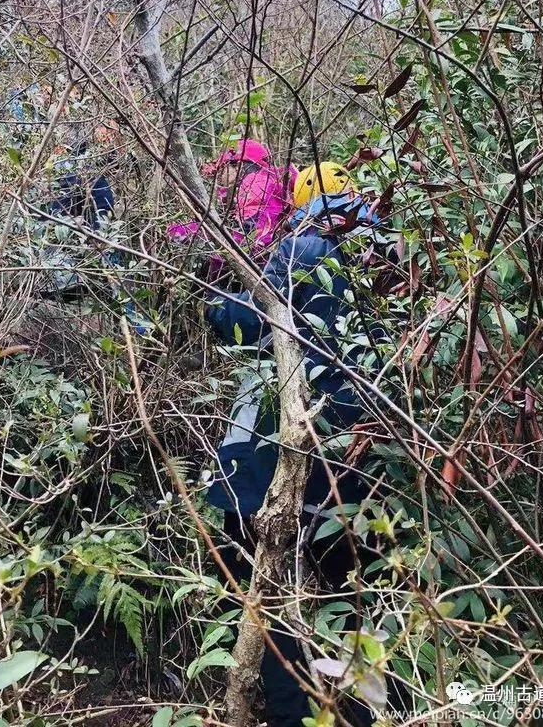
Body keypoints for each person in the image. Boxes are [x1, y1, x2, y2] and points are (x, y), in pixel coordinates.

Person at [204, 160, 393, 727]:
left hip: (282, 470)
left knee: (283, 618)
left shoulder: (303, 252)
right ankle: (364, 710)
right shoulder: (391, 258)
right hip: (365, 469)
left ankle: (294, 713)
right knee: (357, 606)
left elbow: (234, 320)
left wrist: (216, 290)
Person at [168, 139, 297, 273]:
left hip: (262, 269)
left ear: (238, 166)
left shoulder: (256, 185)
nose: (219, 176)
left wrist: (180, 231)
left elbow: (249, 239)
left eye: (223, 168)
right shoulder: (265, 183)